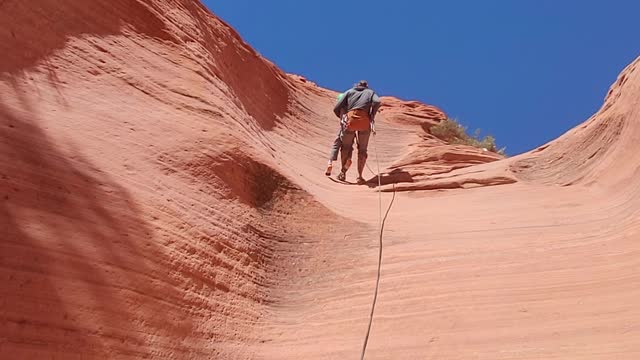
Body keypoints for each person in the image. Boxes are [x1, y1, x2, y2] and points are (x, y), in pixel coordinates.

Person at [333, 80, 381, 184]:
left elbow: (337, 107)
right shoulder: (370, 92)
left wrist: (342, 117)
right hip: (364, 121)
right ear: (366, 86)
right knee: (363, 150)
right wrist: (372, 114)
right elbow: (377, 102)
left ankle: (343, 173)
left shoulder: (349, 92)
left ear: (357, 85)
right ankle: (359, 176)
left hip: (350, 120)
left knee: (346, 147)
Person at [325, 92, 352, 176]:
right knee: (348, 148)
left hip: (342, 129)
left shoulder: (341, 109)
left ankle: (330, 162)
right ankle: (345, 168)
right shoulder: (352, 109)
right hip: (351, 131)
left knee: (335, 145)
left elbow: (338, 114)